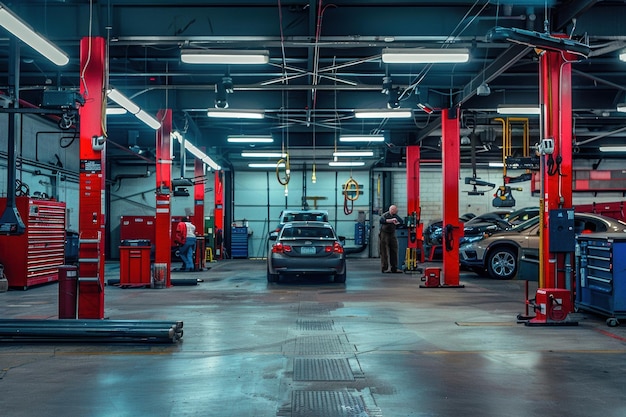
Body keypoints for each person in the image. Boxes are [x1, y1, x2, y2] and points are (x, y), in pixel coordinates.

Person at [379, 204, 404, 273]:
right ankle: (385, 268)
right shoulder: (385, 215)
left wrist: (398, 223)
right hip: (384, 233)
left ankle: (394, 268)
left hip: (392, 233)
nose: (396, 212)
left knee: (394, 249)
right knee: (384, 251)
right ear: (391, 210)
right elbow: (381, 220)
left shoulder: (395, 216)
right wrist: (391, 220)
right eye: (394, 210)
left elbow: (401, 222)